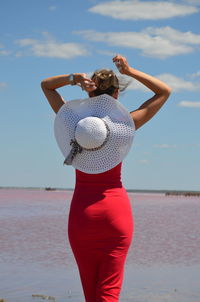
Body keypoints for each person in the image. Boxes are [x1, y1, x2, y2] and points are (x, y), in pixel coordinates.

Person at [41, 54, 171, 302]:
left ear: (89, 95)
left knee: (91, 295)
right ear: (116, 95)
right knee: (109, 293)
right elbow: (163, 92)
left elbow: (46, 86)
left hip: (81, 216)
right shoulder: (126, 124)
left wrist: (73, 79)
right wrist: (130, 71)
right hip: (115, 215)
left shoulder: (74, 124)